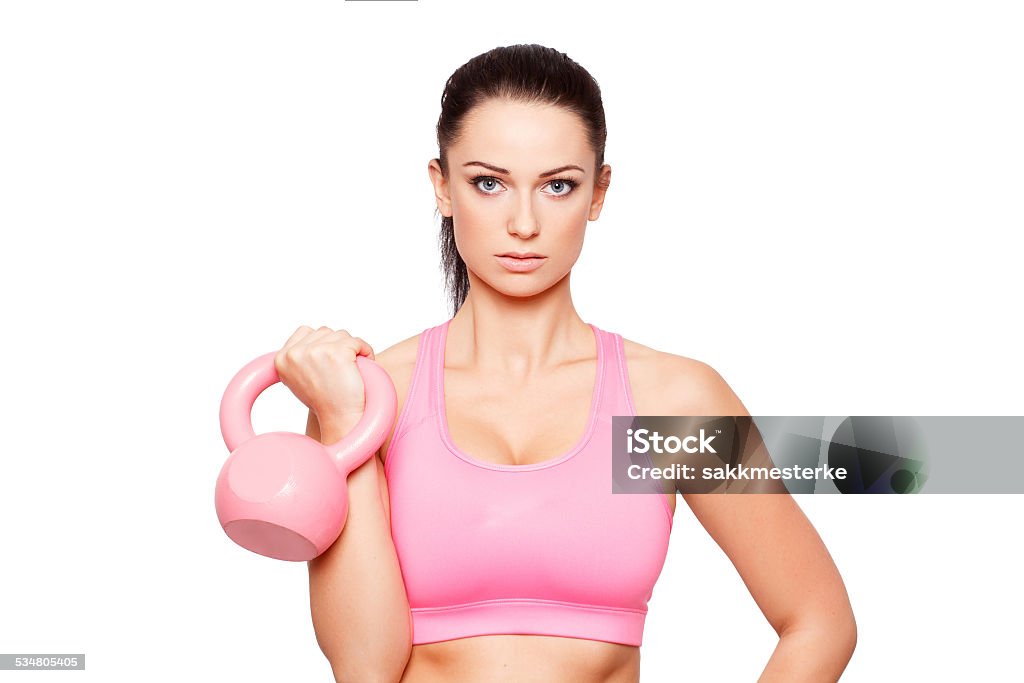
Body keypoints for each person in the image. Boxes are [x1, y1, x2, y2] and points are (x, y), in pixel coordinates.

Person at [274, 44, 857, 683]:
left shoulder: (668, 402)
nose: (523, 223)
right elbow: (365, 669)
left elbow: (818, 619)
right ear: (442, 186)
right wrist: (343, 423)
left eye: (558, 185)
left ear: (598, 193)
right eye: (488, 183)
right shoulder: (371, 398)